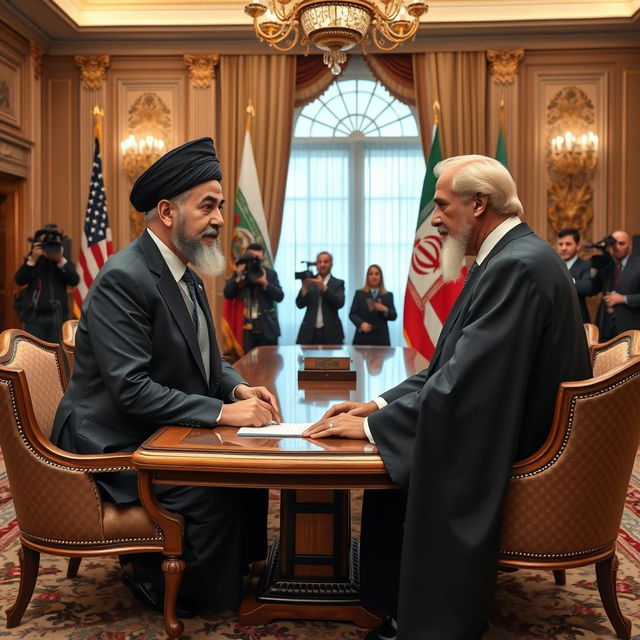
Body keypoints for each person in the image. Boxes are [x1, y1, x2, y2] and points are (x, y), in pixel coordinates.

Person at [303, 155, 592, 640]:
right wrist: (377, 407)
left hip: (521, 451)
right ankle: (391, 601)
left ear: (478, 203)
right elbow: (448, 367)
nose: (434, 218)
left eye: (441, 205)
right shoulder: (506, 259)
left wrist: (375, 430)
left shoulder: (515, 267)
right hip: (512, 420)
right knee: (395, 449)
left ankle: (421, 621)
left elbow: (466, 387)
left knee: (396, 463)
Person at [51, 137, 281, 617]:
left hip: (156, 428)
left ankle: (235, 571)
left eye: (220, 205)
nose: (220, 218)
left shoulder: (188, 273)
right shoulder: (124, 277)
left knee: (249, 468)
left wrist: (236, 386)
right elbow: (130, 388)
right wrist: (222, 411)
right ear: (167, 212)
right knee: (211, 486)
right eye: (208, 206)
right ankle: (177, 588)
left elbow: (207, 360)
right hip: (112, 440)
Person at [14, 225, 79, 343]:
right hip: (34, 317)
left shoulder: (62, 262)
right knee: (34, 352)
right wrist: (32, 260)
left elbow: (74, 281)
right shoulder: (35, 261)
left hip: (58, 316)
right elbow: (19, 280)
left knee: (56, 354)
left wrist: (60, 260)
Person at [223, 242, 284, 352]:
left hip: (267, 327)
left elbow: (279, 296)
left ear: (263, 259)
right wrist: (238, 278)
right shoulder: (240, 273)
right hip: (245, 328)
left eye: (258, 259)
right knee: (247, 364)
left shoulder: (269, 274)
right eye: (252, 258)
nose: (255, 262)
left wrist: (265, 283)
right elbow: (228, 294)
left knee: (269, 363)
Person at [593, 230, 640, 340]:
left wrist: (623, 299)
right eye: (614, 244)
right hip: (605, 326)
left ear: (630, 245)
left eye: (622, 243)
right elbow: (593, 288)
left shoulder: (638, 265)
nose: (617, 247)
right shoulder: (606, 265)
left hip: (629, 327)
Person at [295, 251, 345, 345]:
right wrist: (304, 289)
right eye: (319, 262)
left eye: (326, 262)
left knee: (333, 360)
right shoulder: (310, 281)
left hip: (332, 332)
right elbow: (299, 305)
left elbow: (340, 303)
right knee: (307, 359)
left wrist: (324, 287)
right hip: (310, 332)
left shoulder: (338, 283)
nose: (322, 264)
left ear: (331, 264)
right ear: (316, 264)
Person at [349, 264, 397, 346]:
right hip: (362, 338)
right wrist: (361, 324)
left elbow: (394, 316)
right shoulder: (359, 293)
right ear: (367, 277)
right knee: (357, 359)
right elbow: (352, 314)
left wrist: (385, 309)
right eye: (371, 274)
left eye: (376, 274)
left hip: (381, 339)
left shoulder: (388, 295)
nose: (374, 276)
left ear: (380, 277)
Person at [556, 227, 594, 323]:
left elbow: (588, 287)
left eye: (568, 244)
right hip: (556, 319)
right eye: (560, 244)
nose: (563, 248)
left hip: (578, 318)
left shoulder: (586, 265)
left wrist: (568, 280)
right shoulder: (552, 265)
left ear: (578, 246)